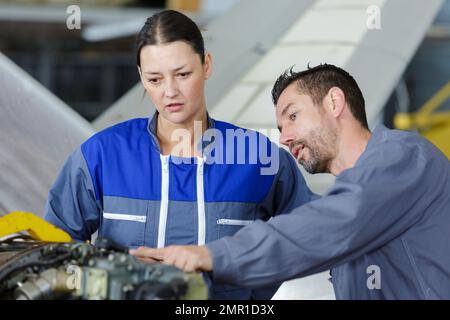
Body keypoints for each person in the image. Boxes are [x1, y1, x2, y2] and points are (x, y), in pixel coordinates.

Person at [43, 10, 316, 300]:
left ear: (206, 65)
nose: (170, 91)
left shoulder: (256, 157)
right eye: (155, 79)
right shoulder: (102, 155)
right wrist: (111, 270)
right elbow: (51, 252)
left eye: (183, 74)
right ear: (141, 77)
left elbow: (315, 234)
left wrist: (250, 290)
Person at [130, 63, 450, 299]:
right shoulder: (350, 201)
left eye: (293, 116)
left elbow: (327, 226)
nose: (284, 138)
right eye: (281, 127)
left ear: (334, 103)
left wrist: (210, 255)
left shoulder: (404, 158)